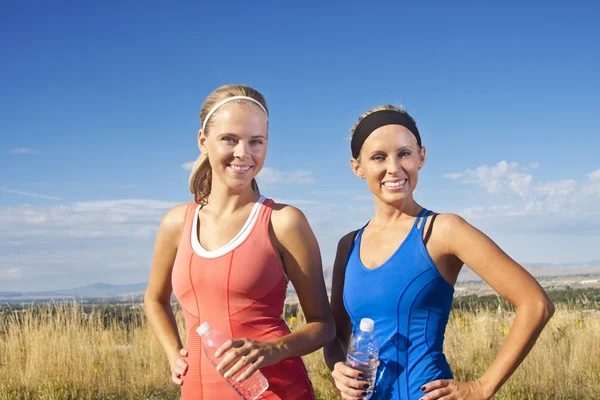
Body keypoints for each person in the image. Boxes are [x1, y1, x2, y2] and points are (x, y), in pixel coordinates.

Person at [323, 105, 555, 400]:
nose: (394, 167)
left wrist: (482, 387)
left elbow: (535, 303)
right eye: (378, 157)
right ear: (358, 167)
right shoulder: (348, 244)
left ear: (421, 156)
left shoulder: (443, 230)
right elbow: (335, 336)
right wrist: (337, 369)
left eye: (404, 153)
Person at [144, 84, 335, 400]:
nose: (243, 153)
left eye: (256, 142)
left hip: (277, 390)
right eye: (229, 139)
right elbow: (155, 300)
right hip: (197, 391)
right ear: (203, 142)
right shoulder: (177, 223)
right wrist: (173, 352)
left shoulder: (283, 221)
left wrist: (272, 350)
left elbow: (323, 325)